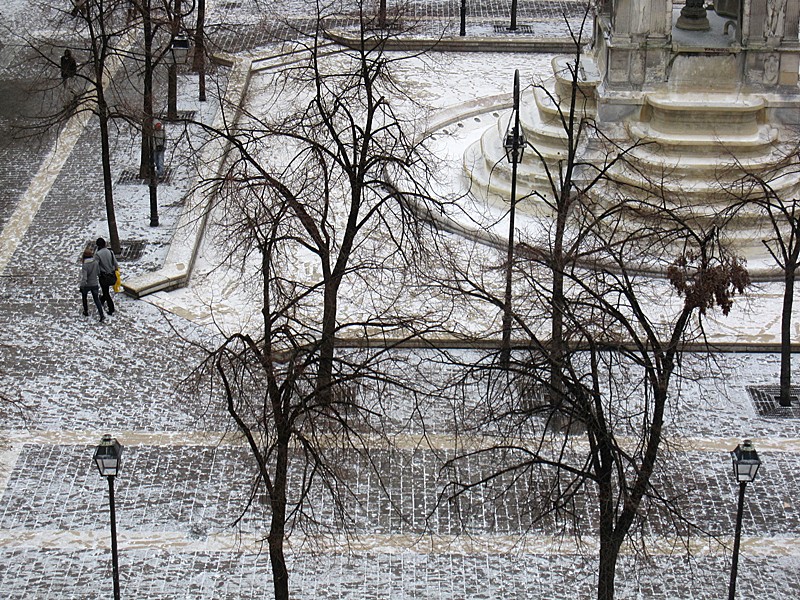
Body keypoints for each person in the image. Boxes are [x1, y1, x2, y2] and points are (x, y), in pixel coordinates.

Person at [79, 249, 105, 322]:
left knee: (84, 298)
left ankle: (86, 311)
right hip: (95, 284)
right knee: (96, 300)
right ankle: (101, 314)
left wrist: (82, 286)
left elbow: (84, 277)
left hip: (87, 285)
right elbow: (98, 272)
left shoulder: (85, 265)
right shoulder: (96, 263)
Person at [95, 237, 119, 316]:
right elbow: (115, 264)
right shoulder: (110, 252)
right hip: (111, 275)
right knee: (106, 291)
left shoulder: (98, 254)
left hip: (104, 276)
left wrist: (98, 274)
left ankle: (111, 308)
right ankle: (102, 299)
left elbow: (97, 266)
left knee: (106, 292)